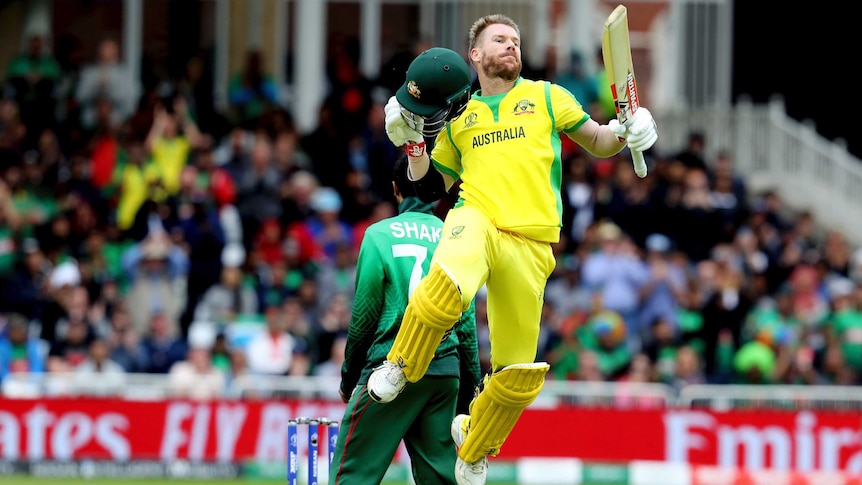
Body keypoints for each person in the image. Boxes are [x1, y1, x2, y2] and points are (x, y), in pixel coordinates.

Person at [367, 14, 658, 484]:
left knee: (519, 373)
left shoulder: (547, 96)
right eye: (499, 40)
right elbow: (429, 186)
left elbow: (599, 141)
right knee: (445, 289)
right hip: (476, 218)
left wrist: (629, 131)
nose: (511, 46)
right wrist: (414, 146)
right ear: (475, 56)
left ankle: (474, 443)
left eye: (516, 41)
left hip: (533, 241)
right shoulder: (460, 116)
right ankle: (401, 364)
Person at [329, 155, 480, 485]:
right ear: (439, 191)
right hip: (444, 374)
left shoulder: (378, 235)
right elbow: (466, 325)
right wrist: (469, 391)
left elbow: (364, 318)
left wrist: (350, 376)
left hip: (391, 366)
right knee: (442, 477)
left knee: (352, 472)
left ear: (396, 189)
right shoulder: (457, 237)